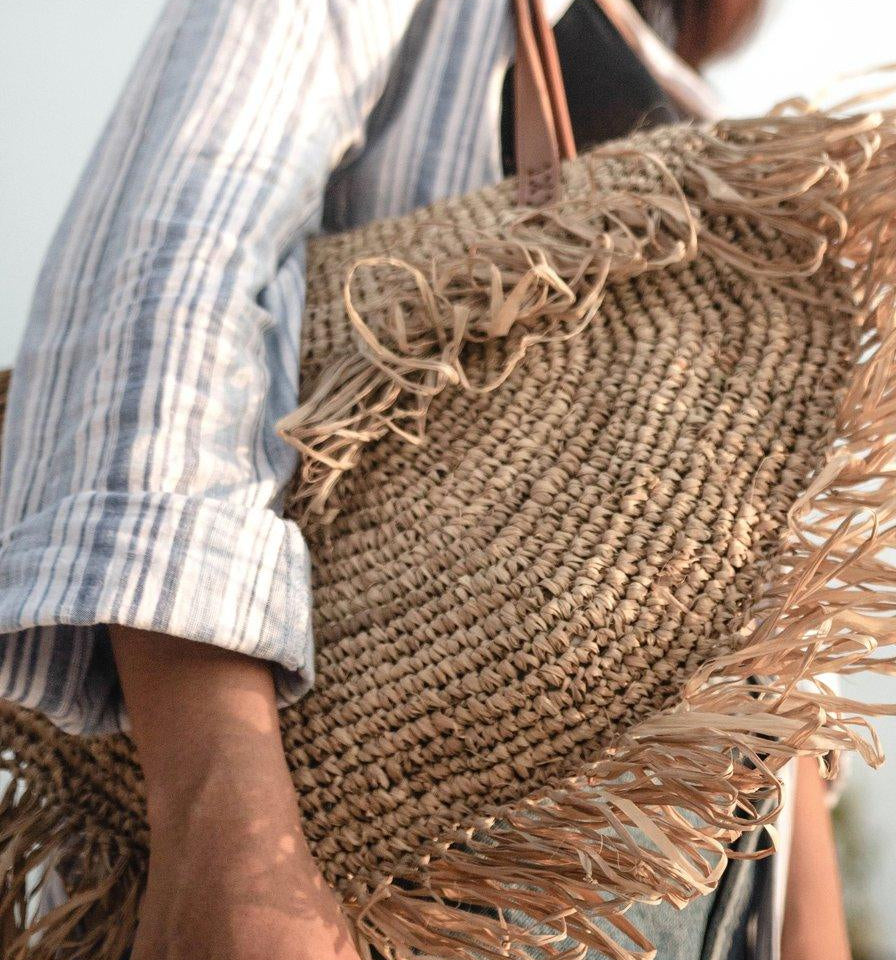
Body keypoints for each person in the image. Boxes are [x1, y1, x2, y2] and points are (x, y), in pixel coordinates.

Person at [0, 2, 851, 958]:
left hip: (710, 883)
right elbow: (173, 277)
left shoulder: (704, 101)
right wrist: (223, 833)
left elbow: (774, 617)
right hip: (400, 864)